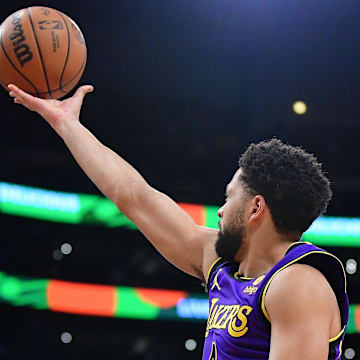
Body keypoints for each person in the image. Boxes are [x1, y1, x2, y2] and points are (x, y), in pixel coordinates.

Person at [8, 84, 348, 360]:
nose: (220, 210)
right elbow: (134, 197)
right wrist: (66, 124)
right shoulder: (223, 265)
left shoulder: (298, 285)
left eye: (229, 198)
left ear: (255, 208)